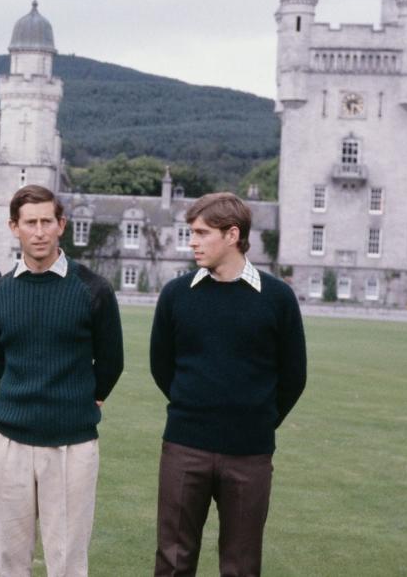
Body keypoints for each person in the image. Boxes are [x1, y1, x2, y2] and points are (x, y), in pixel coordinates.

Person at [150, 192, 307, 577]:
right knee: (173, 560)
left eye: (202, 233)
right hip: (185, 445)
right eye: (192, 232)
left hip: (249, 453)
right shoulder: (176, 295)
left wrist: (257, 419)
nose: (192, 242)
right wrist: (196, 406)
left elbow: (294, 376)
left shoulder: (277, 298)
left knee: (241, 564)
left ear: (232, 234)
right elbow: (161, 366)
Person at [0, 184, 124, 577]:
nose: (39, 231)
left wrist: (81, 398)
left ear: (61, 225)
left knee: (67, 562)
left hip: (71, 445)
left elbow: (111, 362)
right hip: (10, 441)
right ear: (14, 227)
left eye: (47, 221)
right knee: (9, 560)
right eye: (30, 223)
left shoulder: (93, 290)